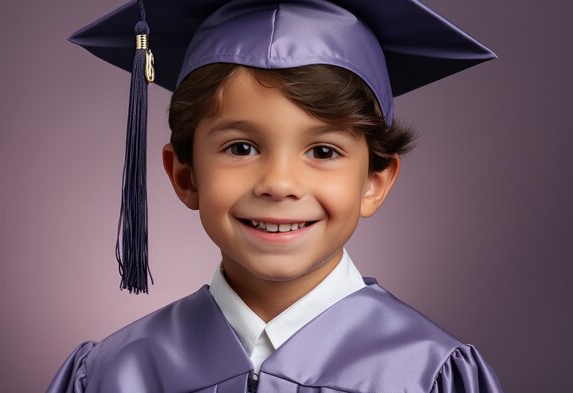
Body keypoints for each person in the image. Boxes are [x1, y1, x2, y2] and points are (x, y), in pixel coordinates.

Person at [47, 0, 503, 392]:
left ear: (374, 183)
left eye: (323, 151)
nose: (280, 183)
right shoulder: (116, 374)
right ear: (185, 176)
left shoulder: (427, 374)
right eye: (241, 148)